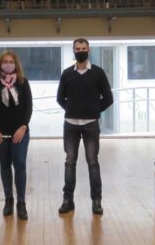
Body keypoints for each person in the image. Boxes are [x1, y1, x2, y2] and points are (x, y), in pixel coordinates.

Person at [56, 38, 113, 215]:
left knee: (93, 162)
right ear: (73, 50)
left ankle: (96, 201)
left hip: (91, 125)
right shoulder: (66, 74)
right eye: (77, 48)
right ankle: (68, 200)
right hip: (70, 125)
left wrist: (94, 111)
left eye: (83, 48)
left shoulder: (98, 73)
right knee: (69, 162)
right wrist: (72, 110)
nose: (80, 50)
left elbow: (108, 98)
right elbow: (60, 98)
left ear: (89, 50)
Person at [0, 51, 33, 220]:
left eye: (11, 61)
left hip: (20, 131)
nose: (8, 64)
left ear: (16, 64)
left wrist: (23, 127)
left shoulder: (23, 82)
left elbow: (28, 107)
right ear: (0, 65)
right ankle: (8, 200)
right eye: (5, 61)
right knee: (5, 165)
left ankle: (21, 203)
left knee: (19, 164)